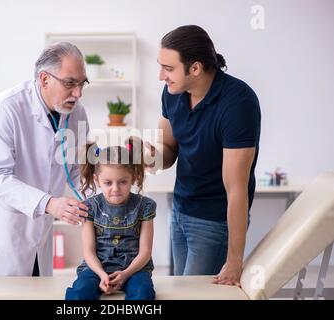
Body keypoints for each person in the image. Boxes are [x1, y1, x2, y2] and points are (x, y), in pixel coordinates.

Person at [0, 42, 90, 276]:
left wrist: (105, 201)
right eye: (70, 83)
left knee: (36, 290)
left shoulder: (76, 114)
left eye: (82, 84)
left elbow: (78, 169)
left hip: (39, 231)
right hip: (1, 228)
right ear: (44, 79)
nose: (77, 93)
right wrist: (50, 204)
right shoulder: (6, 109)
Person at [146, 25, 261, 286]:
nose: (160, 76)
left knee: (196, 294)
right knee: (181, 289)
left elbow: (236, 189)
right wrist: (149, 156)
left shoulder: (238, 103)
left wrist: (235, 260)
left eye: (168, 68)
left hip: (214, 220)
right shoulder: (173, 92)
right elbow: (168, 152)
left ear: (195, 68)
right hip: (180, 209)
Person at [65, 142, 157, 300]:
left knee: (143, 293)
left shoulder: (146, 206)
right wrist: (102, 275)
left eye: (123, 182)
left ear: (133, 177)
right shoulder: (89, 207)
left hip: (134, 269)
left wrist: (126, 274)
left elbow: (145, 252)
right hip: (96, 268)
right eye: (108, 183)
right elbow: (88, 251)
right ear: (96, 179)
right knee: (80, 293)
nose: (115, 188)